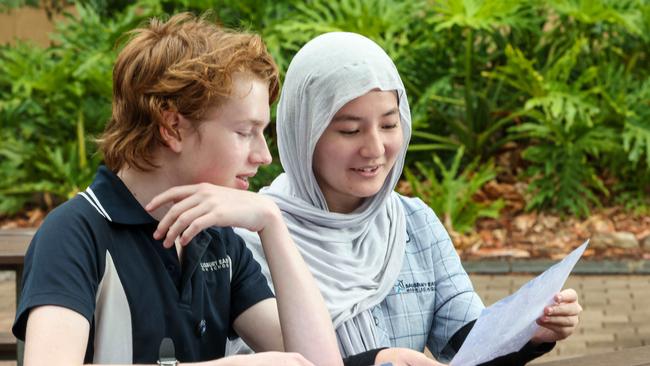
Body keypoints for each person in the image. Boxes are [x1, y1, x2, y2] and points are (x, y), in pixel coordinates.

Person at [151, 32, 583, 365]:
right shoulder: (247, 231)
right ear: (305, 135)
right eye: (350, 130)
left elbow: (464, 344)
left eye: (389, 124)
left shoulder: (413, 223)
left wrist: (531, 329)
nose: (375, 148)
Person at [11, 14, 354, 366]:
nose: (264, 156)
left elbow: (322, 362)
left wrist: (272, 222)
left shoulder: (217, 239)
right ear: (172, 127)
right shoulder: (75, 234)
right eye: (244, 132)